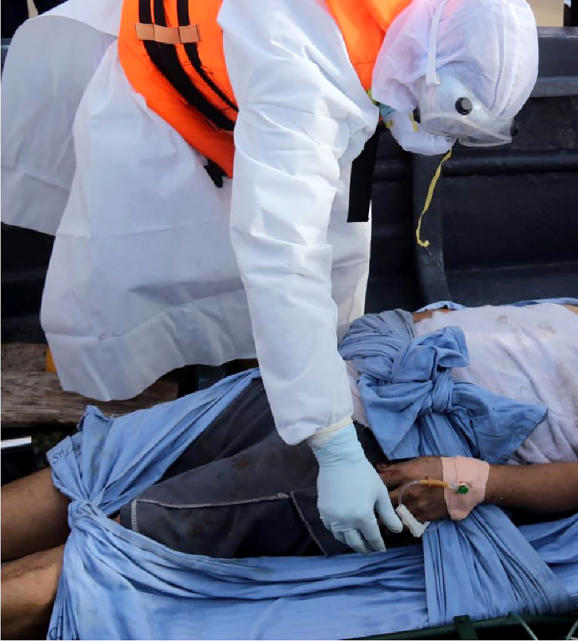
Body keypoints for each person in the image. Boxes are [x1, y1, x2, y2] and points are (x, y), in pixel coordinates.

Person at [0, 0, 539, 556]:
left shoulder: (401, 26)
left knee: (313, 252)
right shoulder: (300, 64)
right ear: (420, 64)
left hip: (252, 79)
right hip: (166, 101)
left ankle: (258, 387)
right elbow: (285, 252)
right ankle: (133, 432)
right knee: (145, 278)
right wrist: (334, 444)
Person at [1, 291, 578, 637]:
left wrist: (472, 478)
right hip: (338, 377)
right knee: (97, 470)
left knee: (126, 544)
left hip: (388, 446)